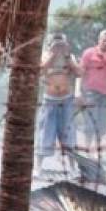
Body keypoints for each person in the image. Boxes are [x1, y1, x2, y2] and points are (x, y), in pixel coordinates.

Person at [36, 34, 81, 175]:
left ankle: (72, 167)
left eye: (61, 44)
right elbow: (40, 70)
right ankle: (38, 167)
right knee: (45, 133)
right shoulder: (45, 56)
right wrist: (52, 55)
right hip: (50, 100)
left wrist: (66, 56)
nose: (59, 47)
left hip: (66, 100)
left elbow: (79, 72)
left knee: (69, 134)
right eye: (56, 44)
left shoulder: (70, 57)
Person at [78, 29, 106, 151]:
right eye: (104, 40)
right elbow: (80, 73)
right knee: (90, 122)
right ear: (99, 40)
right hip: (90, 92)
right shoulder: (89, 53)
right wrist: (78, 92)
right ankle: (87, 148)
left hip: (105, 94)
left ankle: (96, 150)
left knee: (101, 124)